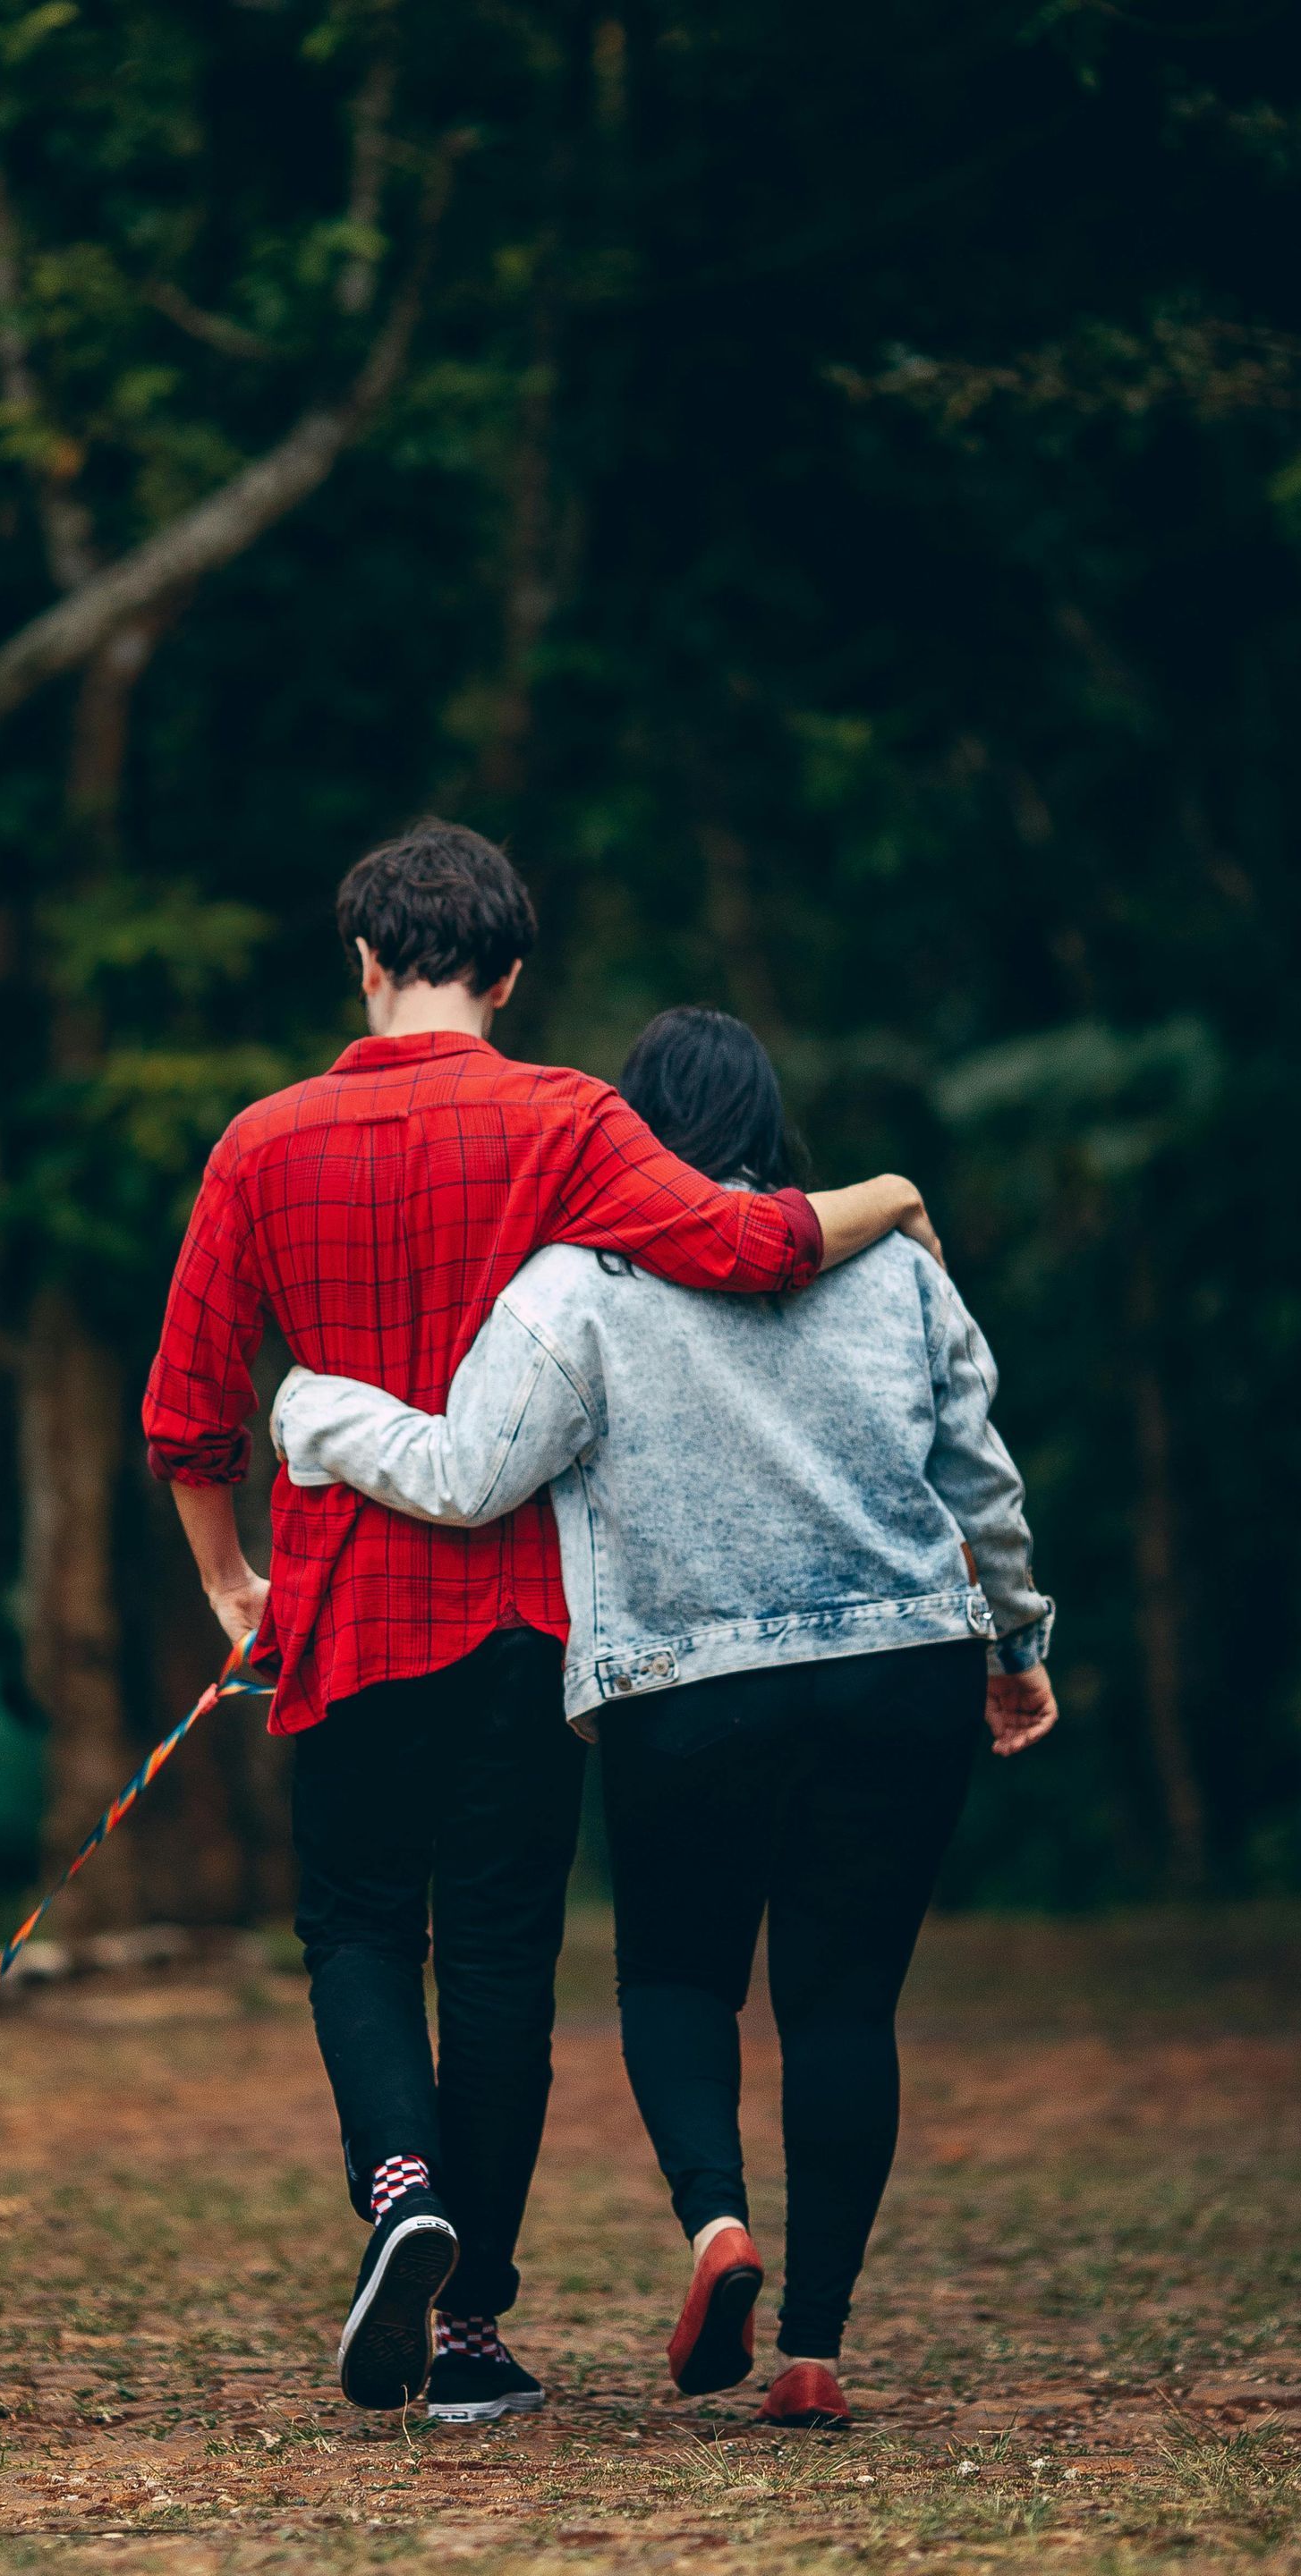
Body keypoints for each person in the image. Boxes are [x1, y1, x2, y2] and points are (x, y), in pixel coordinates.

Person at [143, 826, 944, 2427]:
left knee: (359, 1930)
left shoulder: (258, 1141)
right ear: (509, 976)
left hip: (342, 1619)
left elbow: (188, 1405)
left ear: (363, 963)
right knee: (503, 1956)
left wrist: (236, 1585)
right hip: (518, 1618)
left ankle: (400, 2198)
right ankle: (467, 2331)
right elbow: (748, 1246)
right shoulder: (570, 1117)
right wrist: (897, 1190)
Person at [272, 1004, 1057, 2431]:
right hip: (903, 1670)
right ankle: (812, 2352)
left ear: (627, 1129)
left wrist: (318, 1414)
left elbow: (464, 1474)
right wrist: (1015, 1641)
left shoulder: (580, 1282)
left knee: (679, 1984)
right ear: (777, 1130)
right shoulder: (897, 1273)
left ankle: (715, 2229)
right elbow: (981, 1479)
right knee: (844, 2004)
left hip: (686, 1697)